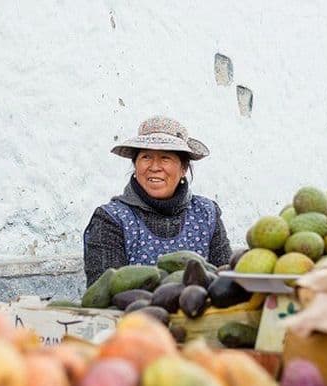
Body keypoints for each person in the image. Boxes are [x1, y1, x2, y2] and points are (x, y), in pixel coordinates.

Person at [82, 116, 232, 286]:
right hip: (132, 312)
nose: (154, 167)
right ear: (135, 165)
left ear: (183, 168)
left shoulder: (206, 213)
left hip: (199, 310)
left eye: (165, 157)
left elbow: (226, 281)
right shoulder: (111, 219)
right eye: (146, 157)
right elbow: (103, 291)